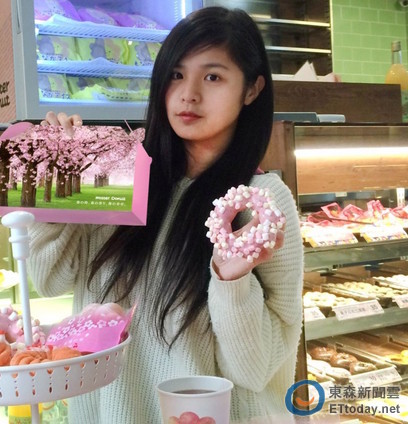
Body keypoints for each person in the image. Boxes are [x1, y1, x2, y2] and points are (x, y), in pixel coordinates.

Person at [29, 6, 304, 424]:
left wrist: (231, 281)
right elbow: (49, 280)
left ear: (251, 89)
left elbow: (255, 371)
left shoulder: (259, 202)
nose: (188, 94)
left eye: (212, 77)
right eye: (176, 74)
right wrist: (58, 184)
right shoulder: (118, 175)